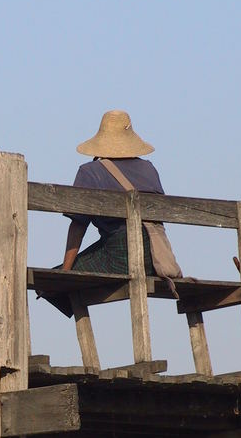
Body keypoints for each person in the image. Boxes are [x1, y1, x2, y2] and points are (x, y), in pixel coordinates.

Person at [46, 110, 182, 317]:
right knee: (65, 277)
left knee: (49, 282)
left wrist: (65, 272)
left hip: (121, 256)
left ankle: (76, 308)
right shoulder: (150, 169)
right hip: (155, 259)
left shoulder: (89, 171)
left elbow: (78, 226)